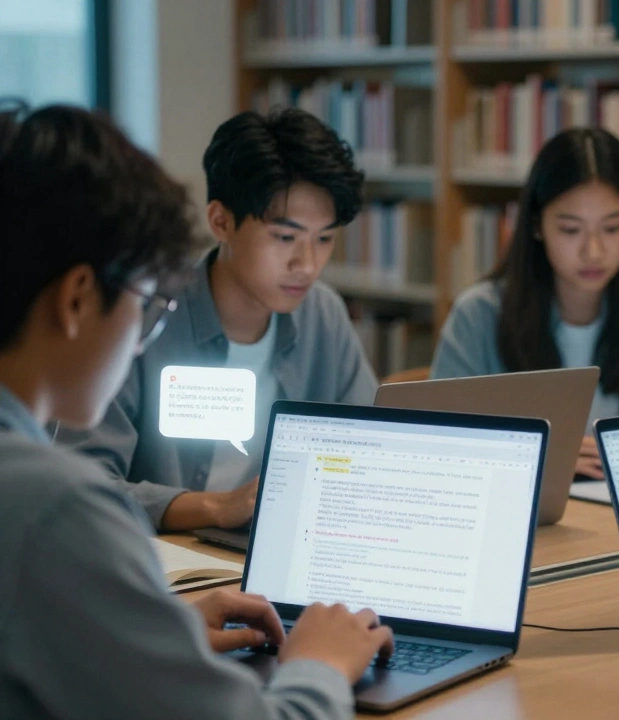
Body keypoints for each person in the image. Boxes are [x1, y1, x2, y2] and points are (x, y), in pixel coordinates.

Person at [0, 102, 391, 719]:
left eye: (324, 241)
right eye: (140, 301)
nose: (145, 330)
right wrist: (319, 664)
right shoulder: (55, 508)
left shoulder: (325, 318)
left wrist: (152, 626)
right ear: (78, 298)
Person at [59, 107, 376, 531]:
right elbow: (84, 484)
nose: (307, 264)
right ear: (221, 222)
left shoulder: (324, 316)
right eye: (285, 237)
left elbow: (368, 456)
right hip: (161, 562)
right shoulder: (141, 313)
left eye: (324, 239)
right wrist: (212, 507)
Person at [431, 127, 619, 479]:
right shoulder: (479, 315)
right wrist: (542, 459)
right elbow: (440, 448)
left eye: (612, 228)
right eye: (570, 230)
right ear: (537, 225)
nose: (593, 251)